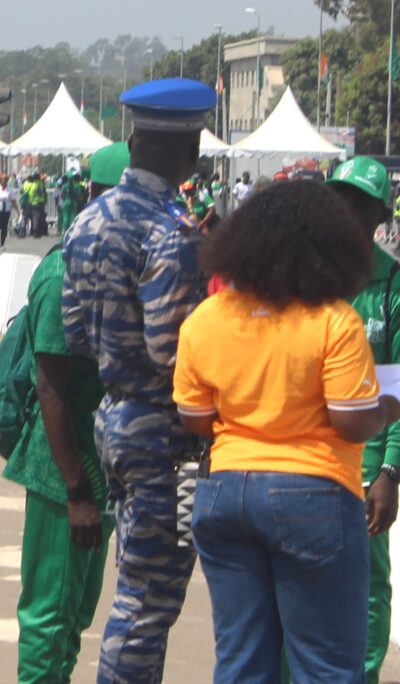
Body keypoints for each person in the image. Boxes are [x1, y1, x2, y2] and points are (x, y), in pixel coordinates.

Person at [174, 179, 399, 683]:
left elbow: (193, 419)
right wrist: (387, 405)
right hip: (314, 496)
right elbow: (351, 419)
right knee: (325, 667)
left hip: (224, 496)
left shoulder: (206, 319)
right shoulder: (334, 321)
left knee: (241, 663)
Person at [62, 78, 216, 684]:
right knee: (150, 602)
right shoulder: (173, 231)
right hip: (164, 436)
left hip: (116, 419)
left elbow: (76, 335)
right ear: (191, 152)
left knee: (136, 592)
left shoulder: (88, 221)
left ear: (132, 140)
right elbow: (171, 349)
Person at [5, 149, 130, 684]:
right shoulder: (63, 273)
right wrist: (78, 491)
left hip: (97, 471)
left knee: (76, 614)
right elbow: (50, 389)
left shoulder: (115, 264)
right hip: (65, 473)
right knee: (50, 617)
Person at [326, 157, 400, 684]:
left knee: (368, 588)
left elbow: (398, 388)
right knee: (305, 583)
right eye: (339, 200)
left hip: (367, 464)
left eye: (359, 203)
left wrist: (391, 472)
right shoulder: (309, 273)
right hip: (307, 458)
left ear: (381, 212)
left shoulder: (391, 283)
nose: (347, 212)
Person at [0, 174, 17, 250]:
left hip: (6, 210)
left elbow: (13, 201)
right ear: (0, 180)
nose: (4, 181)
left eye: (6, 180)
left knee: (4, 227)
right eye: (3, 179)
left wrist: (17, 211)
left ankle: (2, 244)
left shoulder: (10, 189)